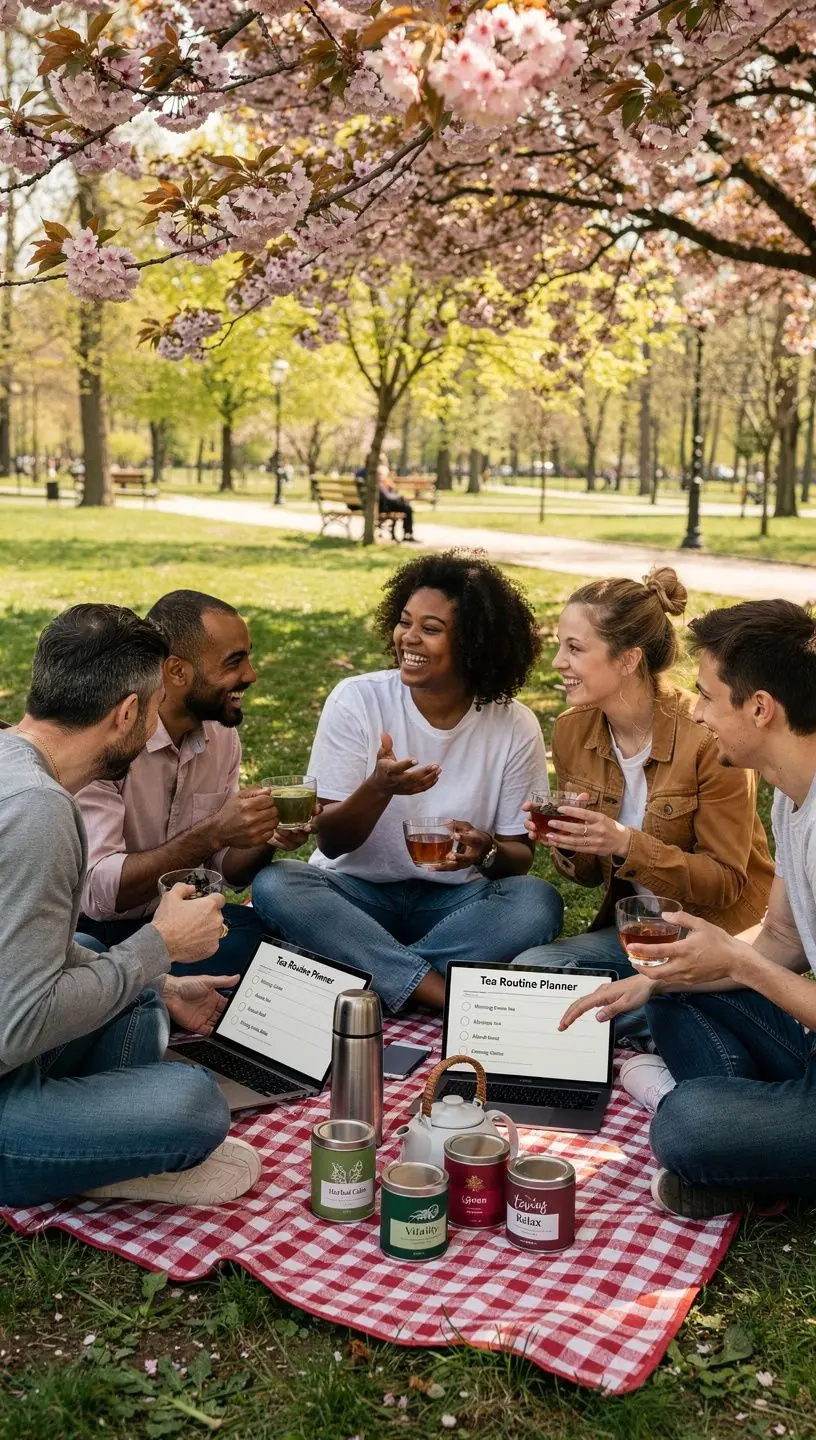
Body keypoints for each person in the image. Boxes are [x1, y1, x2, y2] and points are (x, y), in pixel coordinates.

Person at [559, 599, 816, 1219]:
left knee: (687, 1126)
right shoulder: (791, 798)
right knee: (675, 987)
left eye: (706, 696)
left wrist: (736, 960)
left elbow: (759, 959)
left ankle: (741, 1142)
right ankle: (760, 1147)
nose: (695, 712)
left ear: (759, 707)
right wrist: (655, 981)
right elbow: (782, 935)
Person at [0, 604, 260, 1208]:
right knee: (193, 1103)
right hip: (9, 1059)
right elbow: (16, 1030)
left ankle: (92, 1139)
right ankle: (94, 1160)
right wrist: (157, 948)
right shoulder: (38, 810)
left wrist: (155, 980)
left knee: (101, 958)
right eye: (150, 714)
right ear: (126, 713)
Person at [252, 552, 564, 1012]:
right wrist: (378, 788)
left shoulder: (514, 725)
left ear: (474, 644)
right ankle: (438, 994)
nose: (408, 638)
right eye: (404, 622)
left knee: (537, 901)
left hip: (457, 906)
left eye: (431, 629)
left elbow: (518, 860)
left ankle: (367, 975)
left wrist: (486, 849)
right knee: (277, 884)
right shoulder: (358, 700)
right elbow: (334, 843)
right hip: (356, 897)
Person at [511, 569, 774, 1042]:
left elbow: (727, 883)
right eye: (559, 645)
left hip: (715, 939)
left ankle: (671, 1012)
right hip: (639, 938)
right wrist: (570, 843)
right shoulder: (574, 731)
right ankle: (664, 1018)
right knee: (535, 969)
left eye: (574, 648)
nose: (557, 662)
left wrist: (626, 842)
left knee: (556, 1005)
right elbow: (591, 876)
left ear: (628, 658)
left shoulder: (708, 736)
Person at [75, 591, 308, 979]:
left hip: (181, 925)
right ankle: (144, 989)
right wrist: (215, 831)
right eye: (235, 662)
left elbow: (227, 872)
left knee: (266, 944)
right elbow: (102, 895)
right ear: (176, 671)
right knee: (90, 954)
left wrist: (262, 835)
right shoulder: (111, 738)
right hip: (95, 930)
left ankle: (146, 989)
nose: (251, 675)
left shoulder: (221, 737)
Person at [376, 459, 417, 542]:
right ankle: (408, 534)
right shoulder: (379, 484)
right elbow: (388, 497)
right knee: (407, 508)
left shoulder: (378, 483)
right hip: (384, 506)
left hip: (383, 505)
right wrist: (399, 497)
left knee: (406, 505)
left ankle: (408, 533)